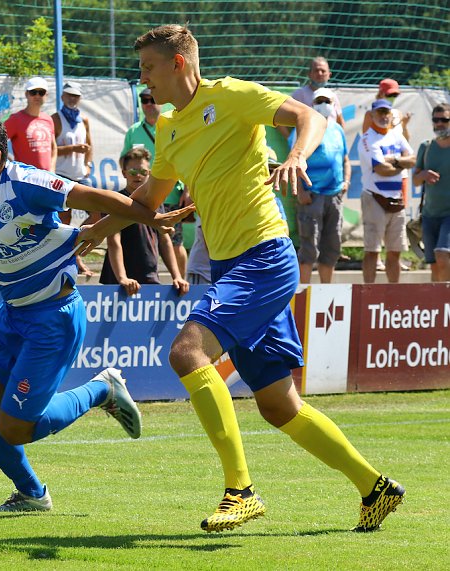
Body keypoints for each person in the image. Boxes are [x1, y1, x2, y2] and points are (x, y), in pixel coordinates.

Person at [78, 24, 404, 533]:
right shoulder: (168, 127)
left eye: (148, 68)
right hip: (231, 266)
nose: (143, 79)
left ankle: (240, 491)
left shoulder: (230, 95)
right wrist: (95, 231)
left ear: (178, 63)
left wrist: (295, 155)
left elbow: (310, 117)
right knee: (277, 405)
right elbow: (146, 202)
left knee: (187, 352)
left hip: (265, 256)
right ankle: (374, 487)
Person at [0, 108, 190, 511]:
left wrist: (152, 217)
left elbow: (93, 197)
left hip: (53, 317)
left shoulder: (25, 183)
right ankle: (32, 495)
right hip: (11, 316)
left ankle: (101, 390)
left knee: (15, 428)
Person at [100, 147, 189, 296]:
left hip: (150, 279)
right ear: (124, 173)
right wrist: (122, 278)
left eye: (143, 171)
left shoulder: (156, 202)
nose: (138, 175)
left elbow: (165, 241)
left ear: (150, 173)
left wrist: (177, 276)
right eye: (133, 172)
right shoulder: (116, 201)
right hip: (119, 283)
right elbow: (114, 242)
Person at [122, 87, 188, 276]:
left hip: (170, 195)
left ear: (160, 102)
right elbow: (124, 159)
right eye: (145, 101)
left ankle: (181, 282)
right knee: (143, 243)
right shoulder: (133, 131)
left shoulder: (172, 125)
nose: (149, 104)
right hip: (145, 197)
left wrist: (187, 190)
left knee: (174, 242)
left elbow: (186, 159)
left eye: (152, 99)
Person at [289, 88, 351, 284]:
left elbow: (345, 159)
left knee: (332, 248)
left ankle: (327, 290)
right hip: (311, 195)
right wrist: (300, 191)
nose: (323, 105)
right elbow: (293, 161)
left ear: (333, 105)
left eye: (327, 101)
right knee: (308, 248)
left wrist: (346, 181)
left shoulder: (338, 130)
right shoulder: (303, 129)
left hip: (334, 196)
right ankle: (303, 292)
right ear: (312, 104)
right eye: (319, 101)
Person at [359, 99, 416, 284]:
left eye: (386, 113)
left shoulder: (396, 135)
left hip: (396, 198)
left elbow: (413, 159)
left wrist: (394, 161)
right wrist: (402, 163)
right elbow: (381, 169)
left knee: (395, 250)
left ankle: (394, 291)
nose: (384, 116)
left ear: (391, 115)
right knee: (372, 251)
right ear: (372, 115)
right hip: (374, 197)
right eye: (380, 112)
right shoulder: (367, 139)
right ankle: (369, 290)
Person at [52, 81, 96, 277]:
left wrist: (88, 164)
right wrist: (73, 149)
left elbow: (90, 145)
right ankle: (73, 259)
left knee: (97, 214)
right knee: (64, 220)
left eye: (76, 96)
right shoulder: (55, 118)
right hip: (61, 175)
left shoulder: (83, 119)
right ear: (62, 97)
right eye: (69, 95)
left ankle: (75, 242)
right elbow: (52, 150)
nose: (72, 99)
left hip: (79, 175)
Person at [412, 103, 450, 282]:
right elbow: (415, 180)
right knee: (434, 263)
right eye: (436, 120)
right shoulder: (426, 147)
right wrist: (423, 175)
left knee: (442, 254)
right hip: (429, 215)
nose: (439, 124)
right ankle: (438, 298)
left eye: (444, 120)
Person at [281, 56, 345, 138]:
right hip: (308, 141)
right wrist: (290, 139)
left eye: (323, 71)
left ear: (329, 75)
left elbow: (340, 121)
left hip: (331, 141)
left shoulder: (332, 95)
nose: (320, 73)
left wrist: (340, 140)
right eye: (316, 70)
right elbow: (281, 120)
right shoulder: (299, 94)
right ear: (309, 74)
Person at [4, 77, 57, 171]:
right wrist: (9, 164)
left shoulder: (48, 119)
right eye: (33, 92)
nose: (37, 96)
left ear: (46, 95)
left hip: (48, 177)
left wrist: (52, 170)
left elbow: (53, 148)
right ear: (26, 94)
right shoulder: (15, 119)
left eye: (41, 92)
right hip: (24, 178)